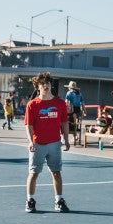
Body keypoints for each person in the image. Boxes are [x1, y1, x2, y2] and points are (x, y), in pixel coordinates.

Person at [23, 72, 71, 213]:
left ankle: (59, 200)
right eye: (42, 83)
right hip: (38, 144)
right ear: (38, 87)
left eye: (48, 83)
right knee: (33, 174)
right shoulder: (33, 105)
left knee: (56, 172)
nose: (46, 85)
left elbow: (64, 122)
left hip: (55, 144)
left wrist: (67, 139)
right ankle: (30, 200)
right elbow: (29, 125)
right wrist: (31, 141)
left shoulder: (60, 103)